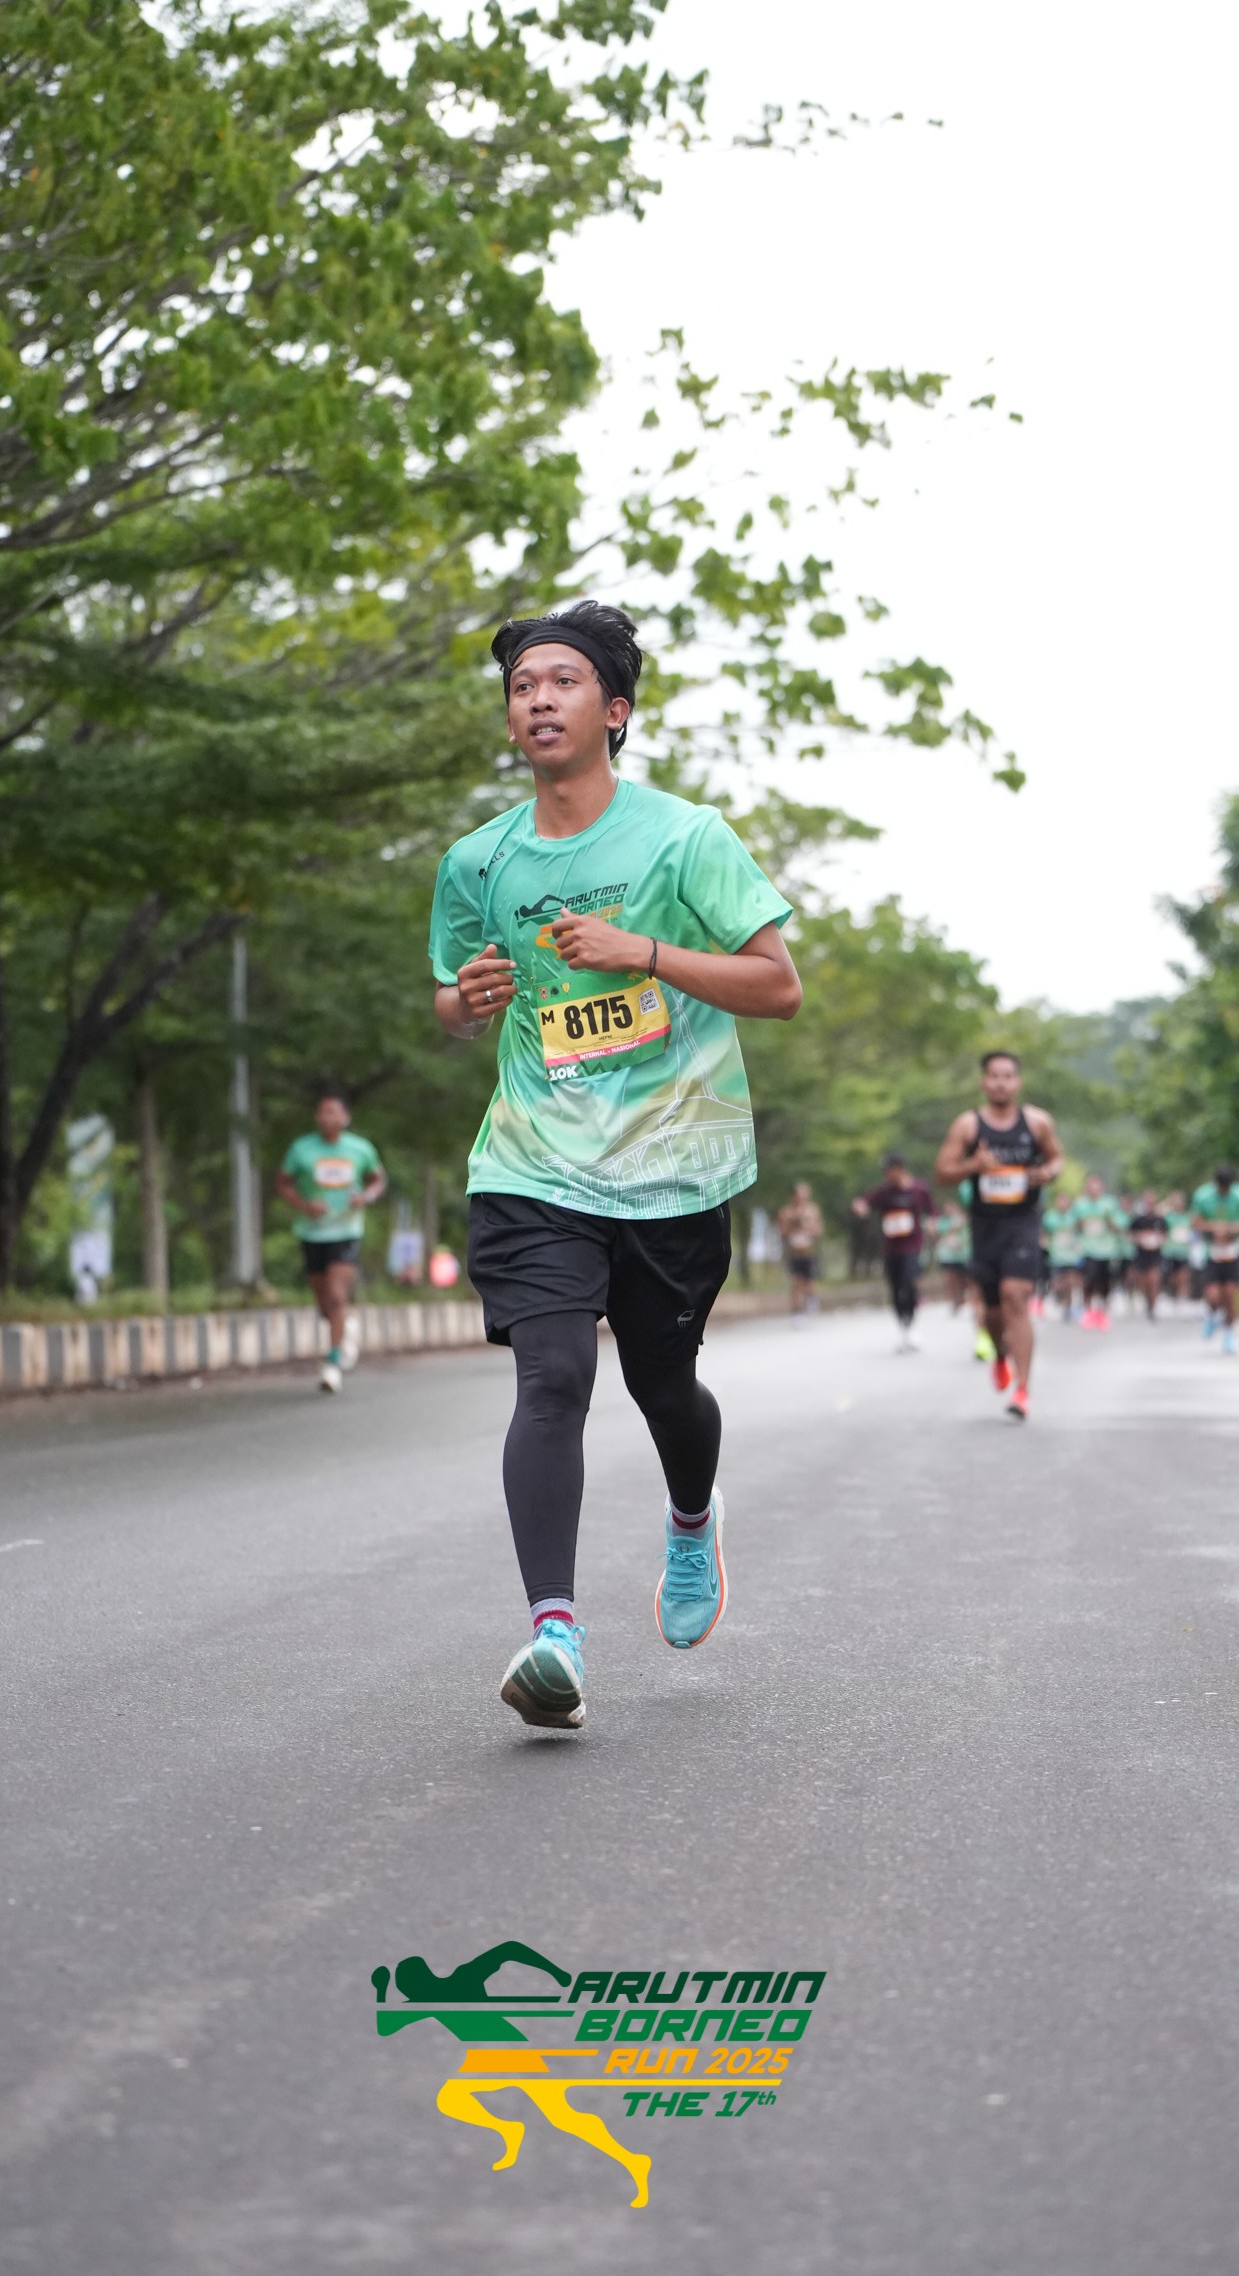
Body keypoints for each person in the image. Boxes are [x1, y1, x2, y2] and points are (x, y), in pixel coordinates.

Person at [428, 600, 800, 1732]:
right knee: (551, 1378)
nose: (538, 698)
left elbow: (777, 985)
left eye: (563, 681)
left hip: (672, 1162)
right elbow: (452, 999)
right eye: (521, 686)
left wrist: (642, 950)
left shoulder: (685, 838)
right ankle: (555, 1634)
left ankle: (691, 1517)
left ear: (615, 710)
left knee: (661, 1385)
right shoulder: (477, 860)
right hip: (532, 1158)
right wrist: (465, 1001)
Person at [935, 1052, 1064, 1421]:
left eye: (1008, 1076)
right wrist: (974, 1165)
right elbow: (942, 1172)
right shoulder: (968, 1126)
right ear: (983, 1082)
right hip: (985, 1226)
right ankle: (1000, 1354)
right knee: (991, 1313)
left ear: (1018, 1082)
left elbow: (1056, 1159)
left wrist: (1047, 1174)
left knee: (1016, 1297)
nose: (1001, 1083)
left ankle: (1022, 1390)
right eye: (994, 1076)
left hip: (1022, 1223)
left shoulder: (1037, 1123)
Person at [275, 1088, 386, 1393]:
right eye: (322, 1112)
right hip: (312, 1232)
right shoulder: (302, 1149)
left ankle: (333, 1363)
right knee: (325, 1305)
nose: (327, 1118)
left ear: (345, 1117)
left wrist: (366, 1196)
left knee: (337, 1295)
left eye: (333, 1112)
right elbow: (283, 1184)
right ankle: (345, 1328)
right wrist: (303, 1205)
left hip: (346, 1231)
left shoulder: (360, 1149)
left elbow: (378, 1179)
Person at [851, 1152, 934, 1351]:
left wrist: (932, 1222)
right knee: (896, 1288)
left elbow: (931, 1209)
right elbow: (863, 1202)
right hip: (891, 1248)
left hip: (912, 1246)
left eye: (889, 1170)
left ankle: (911, 1323)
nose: (886, 1174)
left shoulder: (919, 1189)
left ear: (899, 1169)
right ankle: (903, 1326)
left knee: (910, 1282)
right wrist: (860, 1207)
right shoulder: (885, 1192)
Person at [1190, 1165, 1239, 1353]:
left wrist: (1230, 1229)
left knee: (1230, 1295)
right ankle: (1212, 1314)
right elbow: (1195, 1222)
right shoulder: (1203, 1196)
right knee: (1213, 1296)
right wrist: (1214, 1228)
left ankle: (1228, 1334)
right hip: (1211, 1253)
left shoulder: (1237, 1196)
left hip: (1232, 1252)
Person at [1073, 1173, 1125, 1331]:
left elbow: (1119, 1226)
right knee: (1088, 1280)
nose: (1093, 1189)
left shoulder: (1109, 1203)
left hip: (1106, 1250)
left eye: (1096, 1186)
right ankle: (1088, 1311)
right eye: (1090, 1186)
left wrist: (1110, 1221)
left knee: (1105, 1283)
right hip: (1088, 1249)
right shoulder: (1080, 1205)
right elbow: (1073, 1227)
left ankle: (1102, 1313)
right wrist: (1080, 1224)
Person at [776, 1182, 824, 1314]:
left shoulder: (812, 1210)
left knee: (809, 1282)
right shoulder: (786, 1212)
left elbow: (818, 1230)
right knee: (795, 1282)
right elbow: (782, 1231)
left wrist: (807, 1227)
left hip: (808, 1251)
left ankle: (811, 1298)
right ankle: (797, 1311)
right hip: (794, 1252)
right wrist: (793, 1224)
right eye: (798, 1196)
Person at [1127, 1190, 1168, 1318]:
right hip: (1141, 1255)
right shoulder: (1138, 1220)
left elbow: (1165, 1234)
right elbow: (1130, 1233)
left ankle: (1153, 1306)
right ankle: (1147, 1299)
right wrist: (1140, 1238)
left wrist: (1158, 1240)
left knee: (1154, 1279)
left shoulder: (1160, 1220)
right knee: (1143, 1281)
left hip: (1155, 1255)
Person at [1042, 1190, 1083, 1321]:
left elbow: (1080, 1231)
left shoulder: (1074, 1217)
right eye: (1060, 1201)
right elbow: (1044, 1233)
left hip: (1070, 1257)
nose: (1062, 1204)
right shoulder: (1050, 1217)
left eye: (1065, 1201)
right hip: (1056, 1257)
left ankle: (1068, 1307)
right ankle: (1058, 1297)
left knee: (1070, 1283)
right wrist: (1044, 1243)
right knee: (1057, 1283)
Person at [933, 1197, 971, 1312]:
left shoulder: (963, 1218)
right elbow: (936, 1234)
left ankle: (962, 1296)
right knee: (950, 1278)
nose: (948, 1210)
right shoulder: (942, 1222)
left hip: (963, 1254)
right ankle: (954, 1300)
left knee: (964, 1278)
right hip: (947, 1255)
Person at [1161, 1190, 1194, 1304]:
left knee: (1184, 1275)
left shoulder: (1188, 1217)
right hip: (1171, 1251)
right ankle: (1173, 1294)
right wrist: (1168, 1200)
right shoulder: (1169, 1217)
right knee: (1173, 1276)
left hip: (1184, 1251)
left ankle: (1183, 1297)